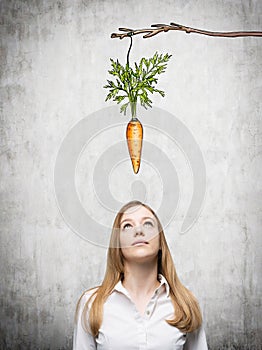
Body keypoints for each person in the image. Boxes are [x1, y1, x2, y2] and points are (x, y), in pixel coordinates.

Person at [73, 200, 208, 349]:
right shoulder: (91, 304)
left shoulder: (186, 304)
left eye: (148, 224)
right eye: (127, 225)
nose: (138, 231)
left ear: (161, 241)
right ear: (117, 244)